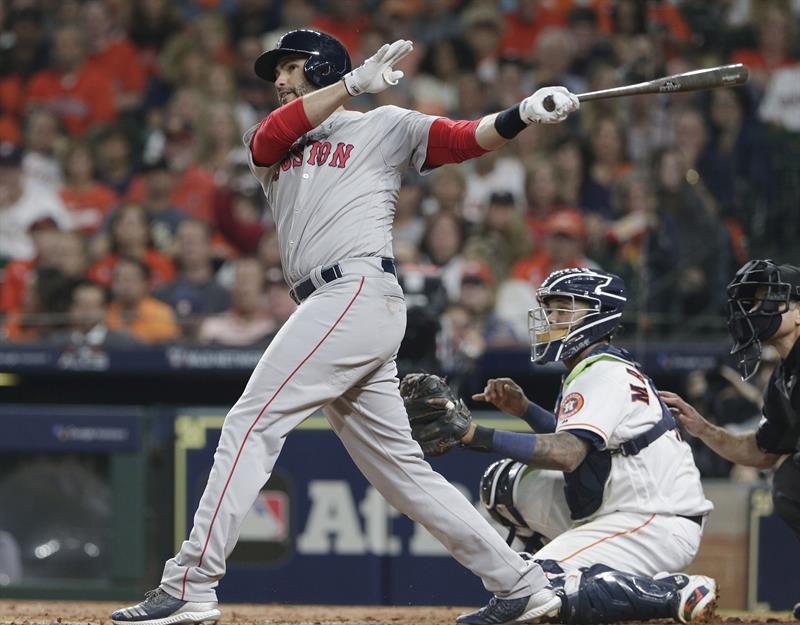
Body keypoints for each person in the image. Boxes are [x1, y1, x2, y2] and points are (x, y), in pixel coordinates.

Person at [111, 28, 582, 625]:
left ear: (321, 65)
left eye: (288, 67)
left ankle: (190, 583)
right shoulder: (273, 142)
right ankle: (522, 584)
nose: (278, 80)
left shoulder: (382, 125)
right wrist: (350, 83)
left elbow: (465, 139)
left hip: (356, 289)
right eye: (276, 71)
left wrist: (523, 114)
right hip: (334, 303)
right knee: (401, 472)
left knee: (251, 422)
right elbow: (269, 137)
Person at [453, 267, 716, 623]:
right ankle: (557, 579)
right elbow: (585, 441)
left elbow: (568, 453)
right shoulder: (596, 366)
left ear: (597, 316)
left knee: (536, 589)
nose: (551, 319)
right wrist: (525, 410)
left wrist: (475, 435)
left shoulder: (603, 372)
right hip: (621, 506)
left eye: (564, 310)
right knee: (503, 485)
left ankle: (669, 593)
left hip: (655, 520)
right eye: (550, 311)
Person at [660, 259, 800, 617]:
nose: (752, 311)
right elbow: (762, 451)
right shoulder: (784, 379)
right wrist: (703, 427)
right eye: (749, 303)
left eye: (765, 300)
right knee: (790, 481)